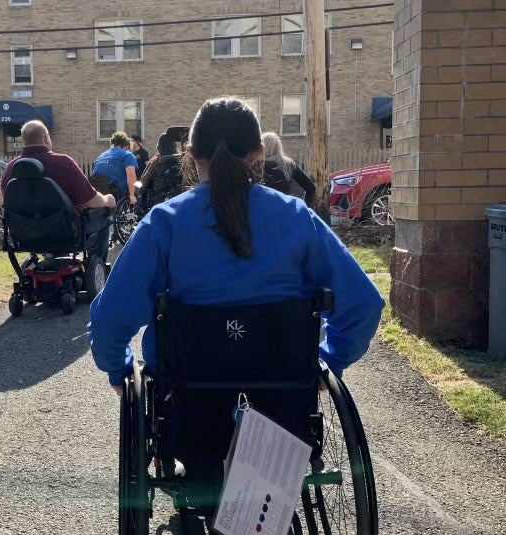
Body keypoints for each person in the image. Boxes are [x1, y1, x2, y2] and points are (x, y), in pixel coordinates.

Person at [88, 96, 384, 396]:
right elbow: (363, 305)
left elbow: (109, 320)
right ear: (258, 153)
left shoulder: (164, 224)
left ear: (190, 154)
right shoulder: (297, 218)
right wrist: (331, 360)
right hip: (283, 398)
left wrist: (119, 370)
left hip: (183, 402)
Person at [1, 120, 116, 261]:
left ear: (24, 141)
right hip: (66, 232)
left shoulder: (10, 169)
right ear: (46, 138)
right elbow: (90, 200)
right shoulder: (63, 163)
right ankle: (98, 266)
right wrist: (107, 200)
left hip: (25, 234)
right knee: (104, 215)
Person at [261, 131, 317, 207]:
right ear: (279, 146)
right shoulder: (288, 165)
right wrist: (304, 209)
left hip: (262, 211)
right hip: (285, 211)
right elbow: (311, 188)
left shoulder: (256, 166)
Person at [91, 131, 138, 206]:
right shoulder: (127, 154)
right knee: (139, 184)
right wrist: (132, 195)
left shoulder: (101, 156)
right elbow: (131, 175)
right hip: (117, 190)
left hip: (99, 190)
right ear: (126, 145)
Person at [139, 133, 183, 208]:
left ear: (159, 145)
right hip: (179, 198)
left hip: (159, 199)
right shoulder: (181, 160)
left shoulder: (156, 161)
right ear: (174, 145)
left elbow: (144, 179)